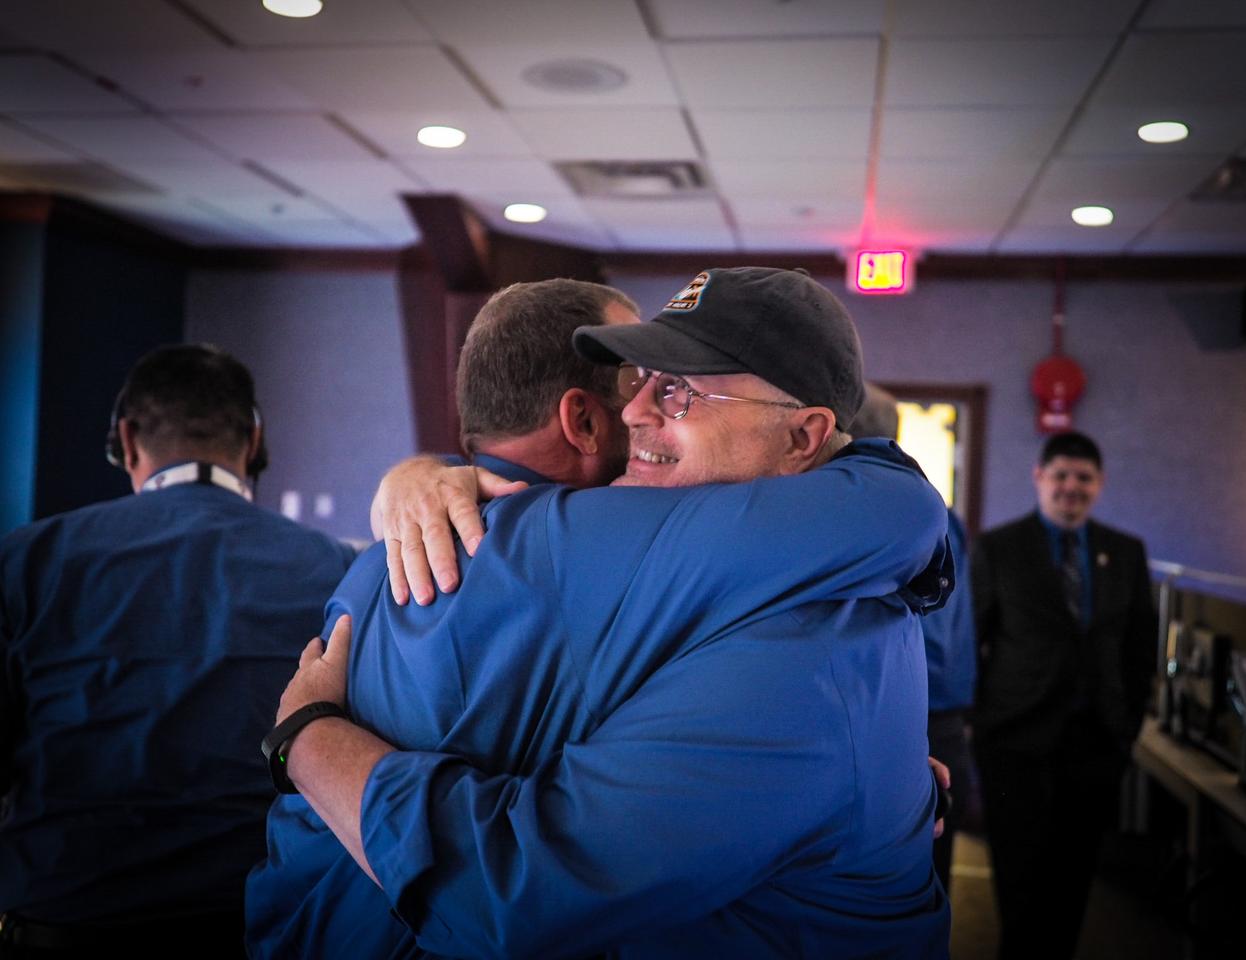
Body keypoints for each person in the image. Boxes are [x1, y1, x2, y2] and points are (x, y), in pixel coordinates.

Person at [248, 268, 953, 959]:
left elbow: (510, 893)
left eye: (679, 391)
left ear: (802, 438)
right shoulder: (723, 583)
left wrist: (305, 737)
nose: (636, 411)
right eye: (640, 380)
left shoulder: (807, 659)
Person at [0, 345, 355, 958]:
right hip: (265, 929)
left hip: (64, 923)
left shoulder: (28, 560)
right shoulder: (338, 569)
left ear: (125, 440)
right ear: (254, 442)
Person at [970, 430, 1156, 960]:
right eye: (1061, 475)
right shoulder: (999, 547)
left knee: (1074, 879)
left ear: (1100, 484)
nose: (1072, 486)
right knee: (1019, 878)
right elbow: (972, 638)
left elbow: (1140, 645)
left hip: (1096, 743)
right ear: (1039, 477)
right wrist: (977, 720)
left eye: (1084, 477)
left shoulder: (1125, 552)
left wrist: (1128, 726)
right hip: (1014, 740)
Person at [848, 383, 977, 891]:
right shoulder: (935, 512)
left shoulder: (873, 518)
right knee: (925, 889)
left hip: (905, 722)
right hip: (944, 721)